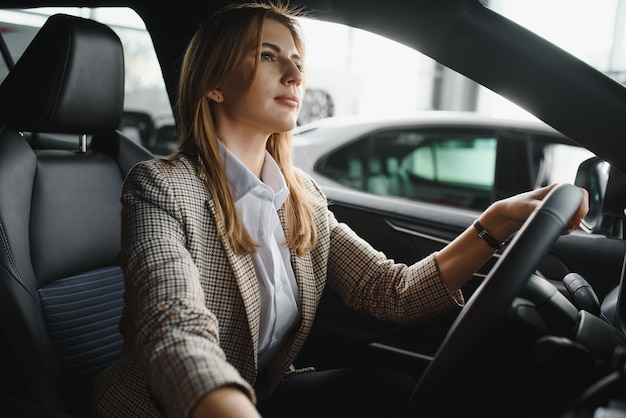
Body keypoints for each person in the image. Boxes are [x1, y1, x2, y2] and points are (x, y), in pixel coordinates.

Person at [92, 2, 589, 417]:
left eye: (297, 61)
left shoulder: (300, 194)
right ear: (214, 83)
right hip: (169, 407)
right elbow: (173, 324)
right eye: (269, 56)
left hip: (260, 395)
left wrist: (495, 221)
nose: (293, 73)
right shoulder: (161, 186)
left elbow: (390, 292)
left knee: (390, 392)